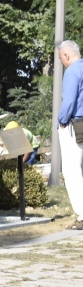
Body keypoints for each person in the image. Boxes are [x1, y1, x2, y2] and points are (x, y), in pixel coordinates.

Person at [58, 40, 83, 230]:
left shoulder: (72, 71)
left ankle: (82, 216)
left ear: (67, 55)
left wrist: (62, 121)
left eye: (60, 58)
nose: (61, 62)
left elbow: (70, 100)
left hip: (76, 123)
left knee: (72, 170)